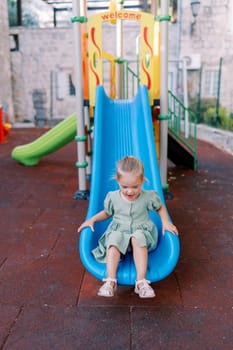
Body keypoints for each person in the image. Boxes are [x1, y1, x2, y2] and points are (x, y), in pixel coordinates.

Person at [78, 156, 178, 298]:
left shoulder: (148, 196)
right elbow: (107, 213)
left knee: (138, 238)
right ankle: (110, 281)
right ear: (118, 182)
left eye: (135, 187)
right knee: (113, 239)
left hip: (140, 232)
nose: (130, 191)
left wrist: (165, 222)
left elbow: (160, 207)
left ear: (142, 182)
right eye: (125, 187)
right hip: (120, 232)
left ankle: (141, 282)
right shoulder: (113, 197)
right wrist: (92, 219)